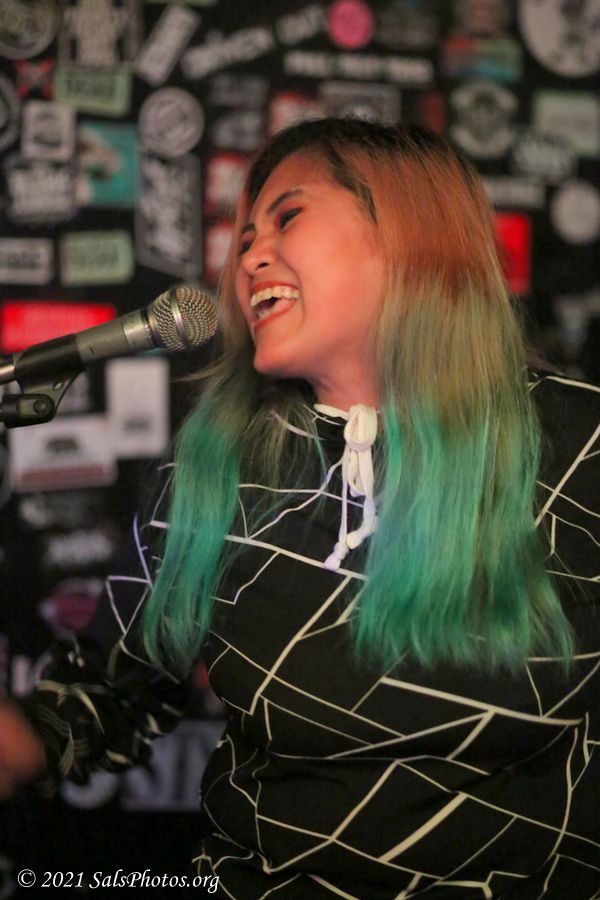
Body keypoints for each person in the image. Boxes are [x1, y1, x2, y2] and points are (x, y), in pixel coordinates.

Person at [1, 117, 599, 898]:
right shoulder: (212, 470)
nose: (249, 256)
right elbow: (110, 694)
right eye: (245, 235)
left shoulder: (579, 444)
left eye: (288, 217)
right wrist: (33, 738)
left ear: (410, 234)